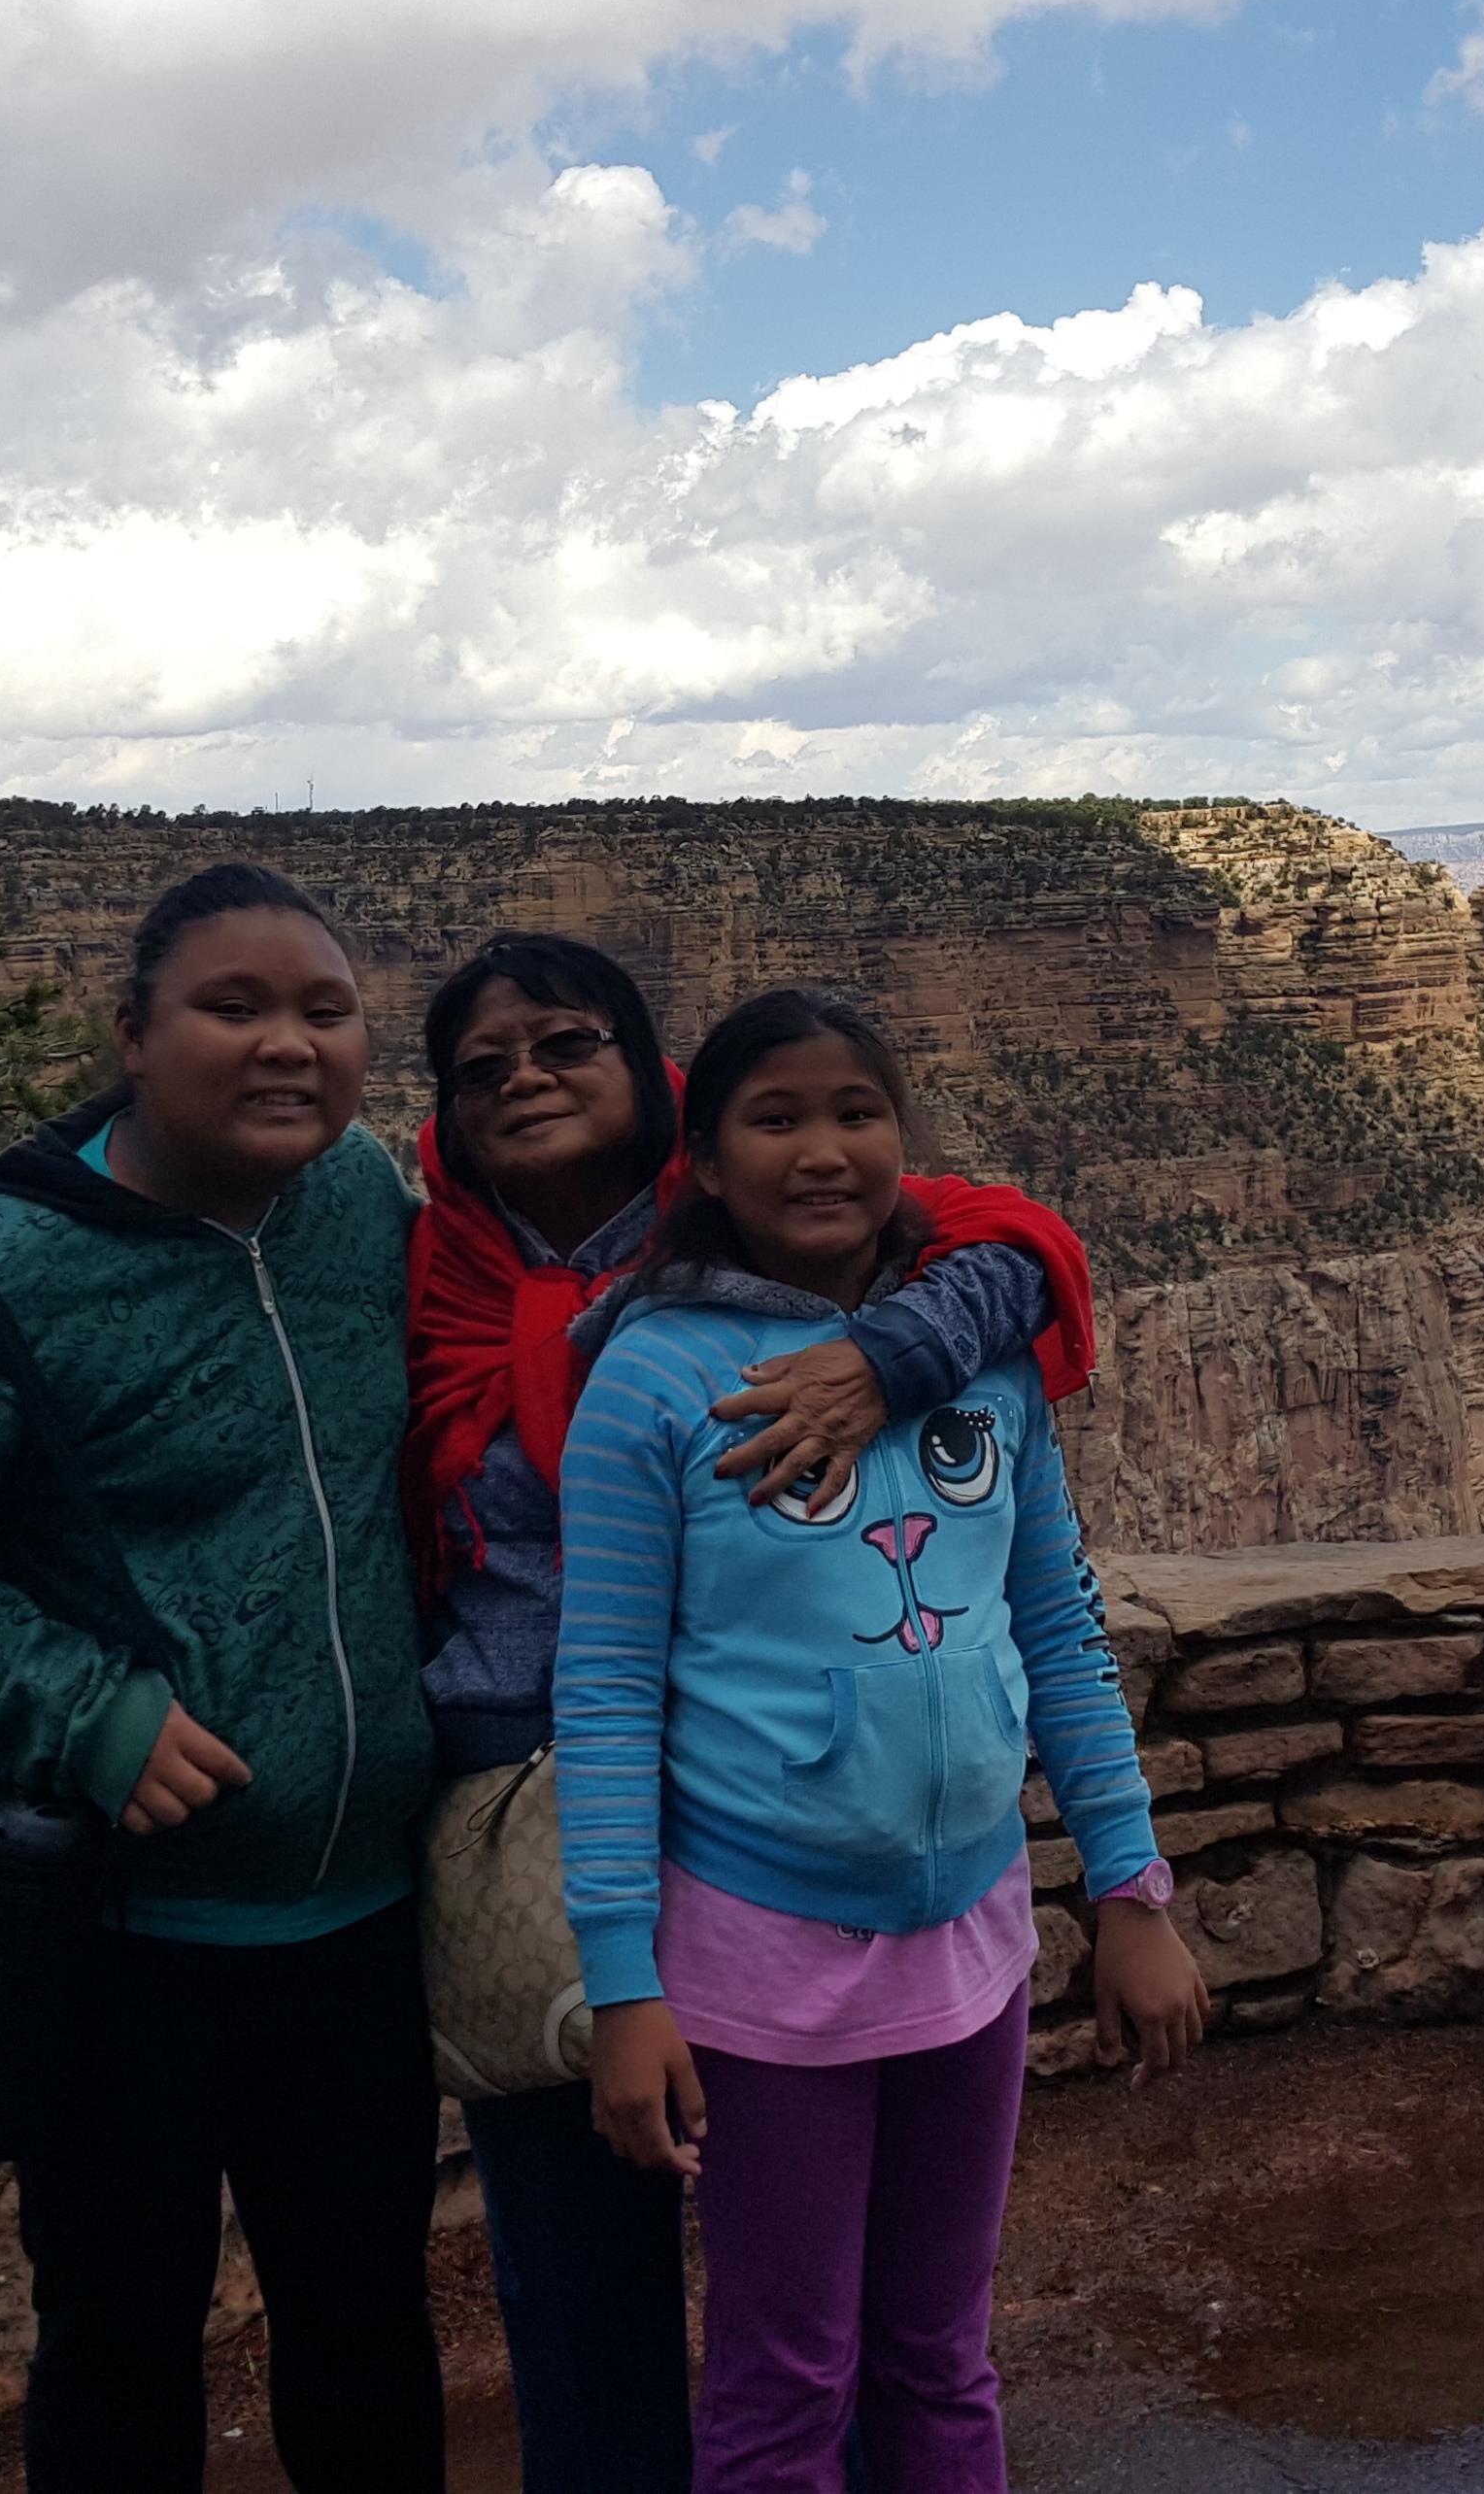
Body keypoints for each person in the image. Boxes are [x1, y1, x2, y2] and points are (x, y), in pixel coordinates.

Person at [0, 863, 441, 2494]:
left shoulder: (368, 1205)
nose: (289, 1046)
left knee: (367, 2331)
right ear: (133, 1031)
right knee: (122, 2348)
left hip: (361, 1921)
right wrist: (87, 1714)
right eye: (235, 1007)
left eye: (326, 1011)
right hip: (125, 1940)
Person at [403, 936, 1093, 2492]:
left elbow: (1017, 1248)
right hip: (532, 1793)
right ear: (443, 1117)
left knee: (832, 2317)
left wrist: (891, 1351)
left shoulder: (786, 1252)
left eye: (567, 1041)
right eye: (481, 1065)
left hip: (771, 1810)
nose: (525, 1075)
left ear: (659, 1092)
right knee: (583, 2276)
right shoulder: (426, 1269)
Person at [552, 988, 1209, 2494]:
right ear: (705, 1162)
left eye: (856, 1112)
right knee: (785, 2382)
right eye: (775, 1118)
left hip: (970, 1941)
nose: (824, 1149)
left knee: (943, 2357)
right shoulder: (654, 1379)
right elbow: (598, 1694)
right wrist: (623, 1983)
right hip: (758, 1956)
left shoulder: (982, 1356)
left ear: (903, 1141)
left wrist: (1132, 1890)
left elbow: (1057, 1631)